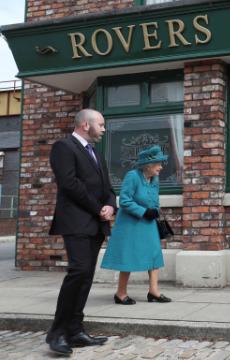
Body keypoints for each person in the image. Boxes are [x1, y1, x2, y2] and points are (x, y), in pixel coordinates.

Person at [46, 109, 115, 355]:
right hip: (76, 222)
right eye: (101, 124)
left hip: (95, 223)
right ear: (86, 125)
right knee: (78, 272)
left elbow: (108, 186)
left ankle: (75, 331)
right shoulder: (63, 147)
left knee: (86, 276)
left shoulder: (95, 152)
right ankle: (58, 332)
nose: (104, 129)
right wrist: (98, 208)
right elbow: (69, 184)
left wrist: (110, 204)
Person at [101, 145, 172, 305]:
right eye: (159, 164)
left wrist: (154, 211)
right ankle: (120, 293)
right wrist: (143, 211)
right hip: (131, 224)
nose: (161, 167)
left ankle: (154, 292)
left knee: (154, 255)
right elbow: (124, 200)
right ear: (148, 165)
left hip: (149, 223)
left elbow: (154, 199)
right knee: (128, 257)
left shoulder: (154, 179)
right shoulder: (132, 176)